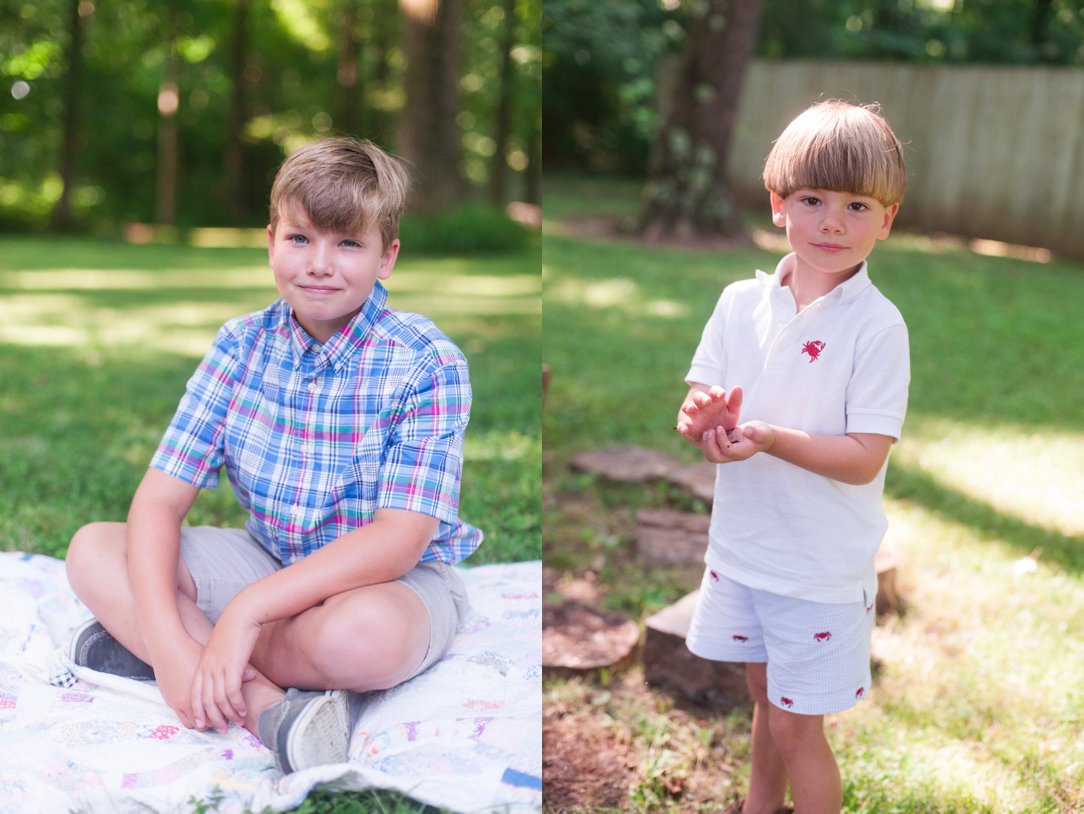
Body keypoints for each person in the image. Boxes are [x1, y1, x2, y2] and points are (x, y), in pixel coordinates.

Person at [64, 136, 481, 774]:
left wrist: (241, 614)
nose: (319, 263)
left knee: (366, 638)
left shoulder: (426, 362)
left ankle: (147, 645)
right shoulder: (241, 346)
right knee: (96, 548)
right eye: (300, 238)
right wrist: (176, 648)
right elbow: (159, 500)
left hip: (388, 582)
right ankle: (262, 705)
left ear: (387, 256)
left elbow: (399, 540)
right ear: (270, 241)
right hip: (269, 555)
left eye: (347, 243)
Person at [675, 100, 909, 814]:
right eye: (813, 200)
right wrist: (703, 423)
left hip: (818, 569)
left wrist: (773, 439)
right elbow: (698, 407)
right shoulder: (737, 302)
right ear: (779, 204)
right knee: (762, 698)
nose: (833, 222)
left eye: (857, 205)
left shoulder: (877, 327)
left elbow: (865, 456)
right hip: (746, 548)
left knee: (797, 725)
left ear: (887, 219)